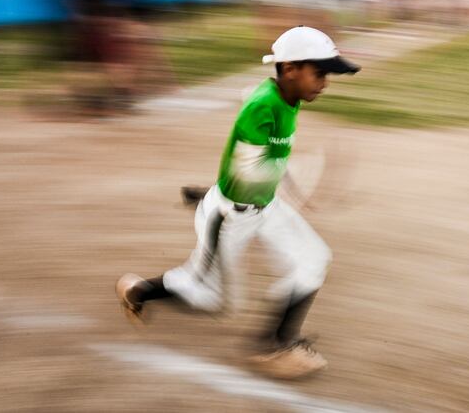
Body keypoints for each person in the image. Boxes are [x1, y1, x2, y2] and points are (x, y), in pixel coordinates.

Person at [115, 26, 360, 379]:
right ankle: (138, 290)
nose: (324, 82)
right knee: (211, 299)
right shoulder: (263, 107)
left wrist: (289, 180)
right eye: (319, 72)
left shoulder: (287, 97)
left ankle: (275, 345)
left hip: (264, 205)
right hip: (231, 216)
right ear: (289, 69)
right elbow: (250, 171)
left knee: (313, 259)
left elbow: (265, 153)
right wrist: (310, 171)